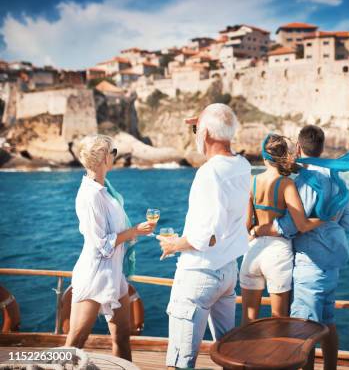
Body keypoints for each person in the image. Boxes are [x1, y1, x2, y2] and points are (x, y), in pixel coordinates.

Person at [157, 103, 251, 369]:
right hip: (227, 272)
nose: (195, 133)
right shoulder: (242, 165)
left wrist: (174, 244)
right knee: (229, 354)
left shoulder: (209, 173)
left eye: (196, 128)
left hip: (199, 274)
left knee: (180, 361)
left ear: (206, 132)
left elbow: (206, 238)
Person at [252, 125, 349, 370]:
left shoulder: (308, 181)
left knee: (302, 330)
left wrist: (261, 229)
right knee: (328, 323)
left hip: (311, 265)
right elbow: (347, 222)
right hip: (332, 265)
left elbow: (293, 225)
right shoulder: (337, 178)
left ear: (298, 148)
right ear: (322, 147)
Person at [65, 135, 155, 361]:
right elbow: (102, 245)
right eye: (112, 152)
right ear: (103, 157)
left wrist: (134, 231)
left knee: (123, 336)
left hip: (114, 275)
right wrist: (134, 231)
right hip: (95, 275)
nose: (115, 156)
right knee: (75, 341)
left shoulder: (104, 189)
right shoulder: (91, 196)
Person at [239, 134, 323, 325]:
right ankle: (276, 355)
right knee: (279, 321)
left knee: (247, 319)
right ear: (284, 156)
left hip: (252, 252)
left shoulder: (251, 181)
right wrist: (324, 219)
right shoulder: (287, 184)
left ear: (263, 157)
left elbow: (245, 225)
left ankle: (247, 355)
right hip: (277, 254)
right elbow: (302, 225)